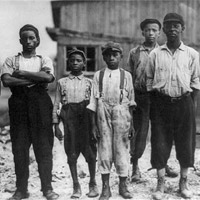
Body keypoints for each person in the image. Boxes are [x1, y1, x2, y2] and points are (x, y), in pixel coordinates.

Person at [1, 24, 59, 200]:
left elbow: (48, 77)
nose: (28, 41)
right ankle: (21, 190)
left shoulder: (44, 60)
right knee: (19, 148)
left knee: (43, 147)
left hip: (40, 104)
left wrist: (23, 74)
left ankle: (47, 189)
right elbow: (6, 81)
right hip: (18, 105)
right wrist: (34, 79)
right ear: (20, 41)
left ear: (37, 40)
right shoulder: (11, 60)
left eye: (32, 38)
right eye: (25, 38)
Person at [146, 13, 200, 200]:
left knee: (186, 144)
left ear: (182, 28)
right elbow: (149, 81)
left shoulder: (192, 54)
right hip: (161, 104)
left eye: (176, 25)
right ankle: (160, 185)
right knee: (160, 143)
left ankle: (183, 184)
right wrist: (156, 103)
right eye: (168, 26)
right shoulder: (155, 54)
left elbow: (196, 82)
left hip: (184, 103)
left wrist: (190, 105)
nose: (172, 29)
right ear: (164, 30)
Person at [127, 18, 178, 182]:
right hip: (140, 97)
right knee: (139, 132)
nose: (151, 33)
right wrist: (131, 98)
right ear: (142, 32)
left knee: (161, 132)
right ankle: (135, 167)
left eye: (154, 30)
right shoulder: (135, 52)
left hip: (159, 98)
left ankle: (163, 165)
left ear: (159, 32)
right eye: (147, 30)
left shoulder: (164, 51)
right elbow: (130, 76)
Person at [87, 41, 136, 200]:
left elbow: (131, 102)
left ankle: (123, 186)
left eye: (115, 54)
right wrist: (94, 125)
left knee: (122, 150)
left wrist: (131, 125)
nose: (111, 58)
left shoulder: (126, 75)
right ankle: (106, 188)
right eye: (108, 55)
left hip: (121, 112)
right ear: (104, 57)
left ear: (121, 56)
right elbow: (93, 102)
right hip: (103, 112)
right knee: (104, 150)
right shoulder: (98, 75)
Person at [52, 48, 99, 199]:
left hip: (86, 119)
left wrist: (94, 126)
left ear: (84, 63)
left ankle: (92, 182)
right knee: (71, 153)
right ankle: (76, 185)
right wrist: (56, 125)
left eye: (78, 60)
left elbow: (94, 105)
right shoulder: (62, 82)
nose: (75, 63)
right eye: (72, 61)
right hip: (69, 120)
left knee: (90, 153)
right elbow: (57, 104)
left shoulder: (89, 83)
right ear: (68, 63)